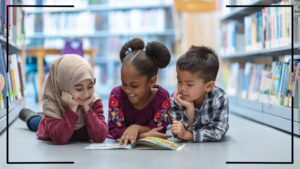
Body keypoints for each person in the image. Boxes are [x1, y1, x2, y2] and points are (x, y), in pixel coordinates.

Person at [19, 54, 108, 144]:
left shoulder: (94, 100)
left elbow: (100, 137)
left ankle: (42, 115)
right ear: (63, 85)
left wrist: (87, 108)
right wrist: (72, 110)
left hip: (62, 121)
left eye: (90, 86)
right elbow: (60, 138)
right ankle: (30, 115)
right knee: (37, 122)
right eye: (79, 89)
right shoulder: (52, 102)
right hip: (49, 127)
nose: (86, 94)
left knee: (44, 117)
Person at [108, 38, 172, 145]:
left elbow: (159, 130)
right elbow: (115, 131)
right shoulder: (116, 95)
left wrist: (136, 128)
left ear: (152, 81)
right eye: (124, 83)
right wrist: (144, 135)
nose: (128, 90)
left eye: (134, 86)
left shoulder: (163, 98)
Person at [170, 45, 229, 142]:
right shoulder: (176, 98)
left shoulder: (219, 97)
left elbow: (218, 131)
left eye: (189, 84)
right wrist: (190, 112)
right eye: (179, 81)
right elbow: (177, 132)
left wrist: (188, 135)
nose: (182, 88)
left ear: (208, 86)